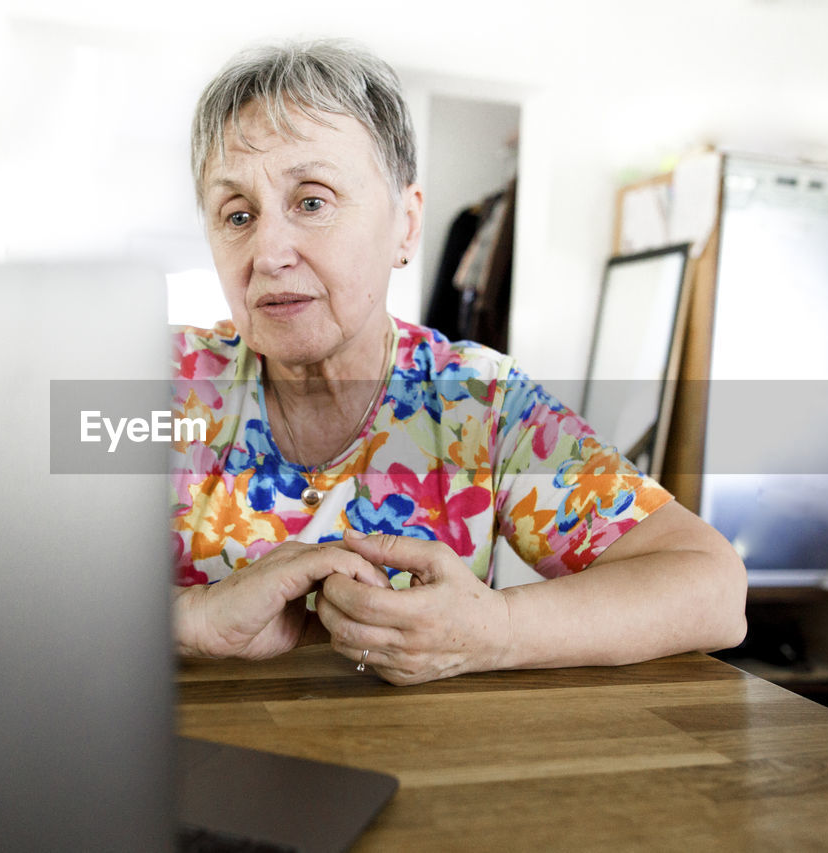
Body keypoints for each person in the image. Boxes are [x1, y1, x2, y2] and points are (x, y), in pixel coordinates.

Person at [169, 39, 747, 685]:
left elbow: (713, 587)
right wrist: (190, 618)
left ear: (406, 225)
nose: (269, 250)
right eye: (237, 214)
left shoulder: (477, 403)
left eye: (312, 201)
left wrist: (494, 629)